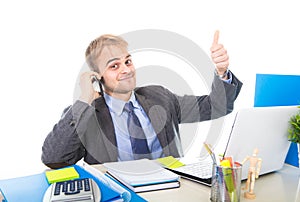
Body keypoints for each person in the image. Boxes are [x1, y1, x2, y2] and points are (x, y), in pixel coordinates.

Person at [42, 31, 243, 169]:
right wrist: (84, 99)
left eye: (128, 61)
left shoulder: (159, 96)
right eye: (114, 66)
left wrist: (221, 71)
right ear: (97, 76)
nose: (127, 70)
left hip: (170, 191)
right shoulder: (86, 113)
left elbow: (217, 106)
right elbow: (54, 159)